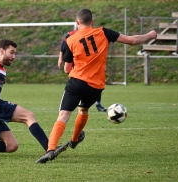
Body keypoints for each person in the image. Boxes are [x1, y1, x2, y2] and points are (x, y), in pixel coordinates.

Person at [36, 8, 157, 163]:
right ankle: (74, 139)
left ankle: (51, 149)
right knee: (84, 109)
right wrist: (150, 35)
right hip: (96, 86)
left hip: (77, 82)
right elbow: (132, 40)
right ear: (92, 21)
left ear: (77, 22)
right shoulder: (103, 32)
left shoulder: (70, 40)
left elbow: (67, 69)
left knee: (64, 115)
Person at [0, 39, 67, 158]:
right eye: (11, 52)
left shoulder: (2, 71)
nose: (14, 56)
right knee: (29, 116)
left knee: (11, 145)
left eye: (15, 53)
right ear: (1, 51)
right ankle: (49, 148)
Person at [58, 30, 107, 112]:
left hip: (90, 64)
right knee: (78, 83)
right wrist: (60, 58)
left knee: (96, 81)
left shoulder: (93, 34)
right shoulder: (71, 34)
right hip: (77, 63)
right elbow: (63, 45)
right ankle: (77, 101)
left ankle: (98, 104)